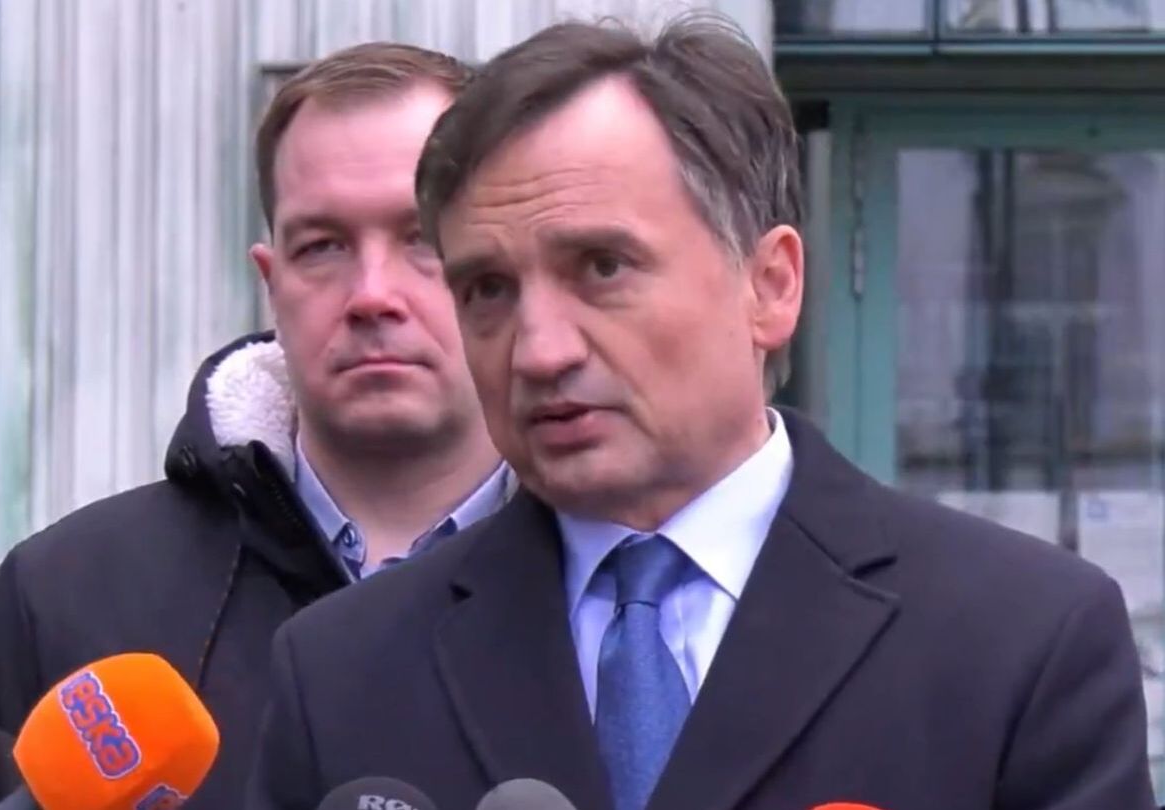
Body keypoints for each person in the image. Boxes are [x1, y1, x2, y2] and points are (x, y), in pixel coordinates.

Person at [247, 16, 1156, 810]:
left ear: (772, 285)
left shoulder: (1020, 640)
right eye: (488, 289)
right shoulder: (342, 673)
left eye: (602, 268)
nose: (539, 350)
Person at [0, 42, 510, 810]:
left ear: (497, 268)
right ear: (271, 282)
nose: (371, 294)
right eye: (322, 246)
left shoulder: (628, 587)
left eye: (421, 238)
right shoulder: (62, 598)